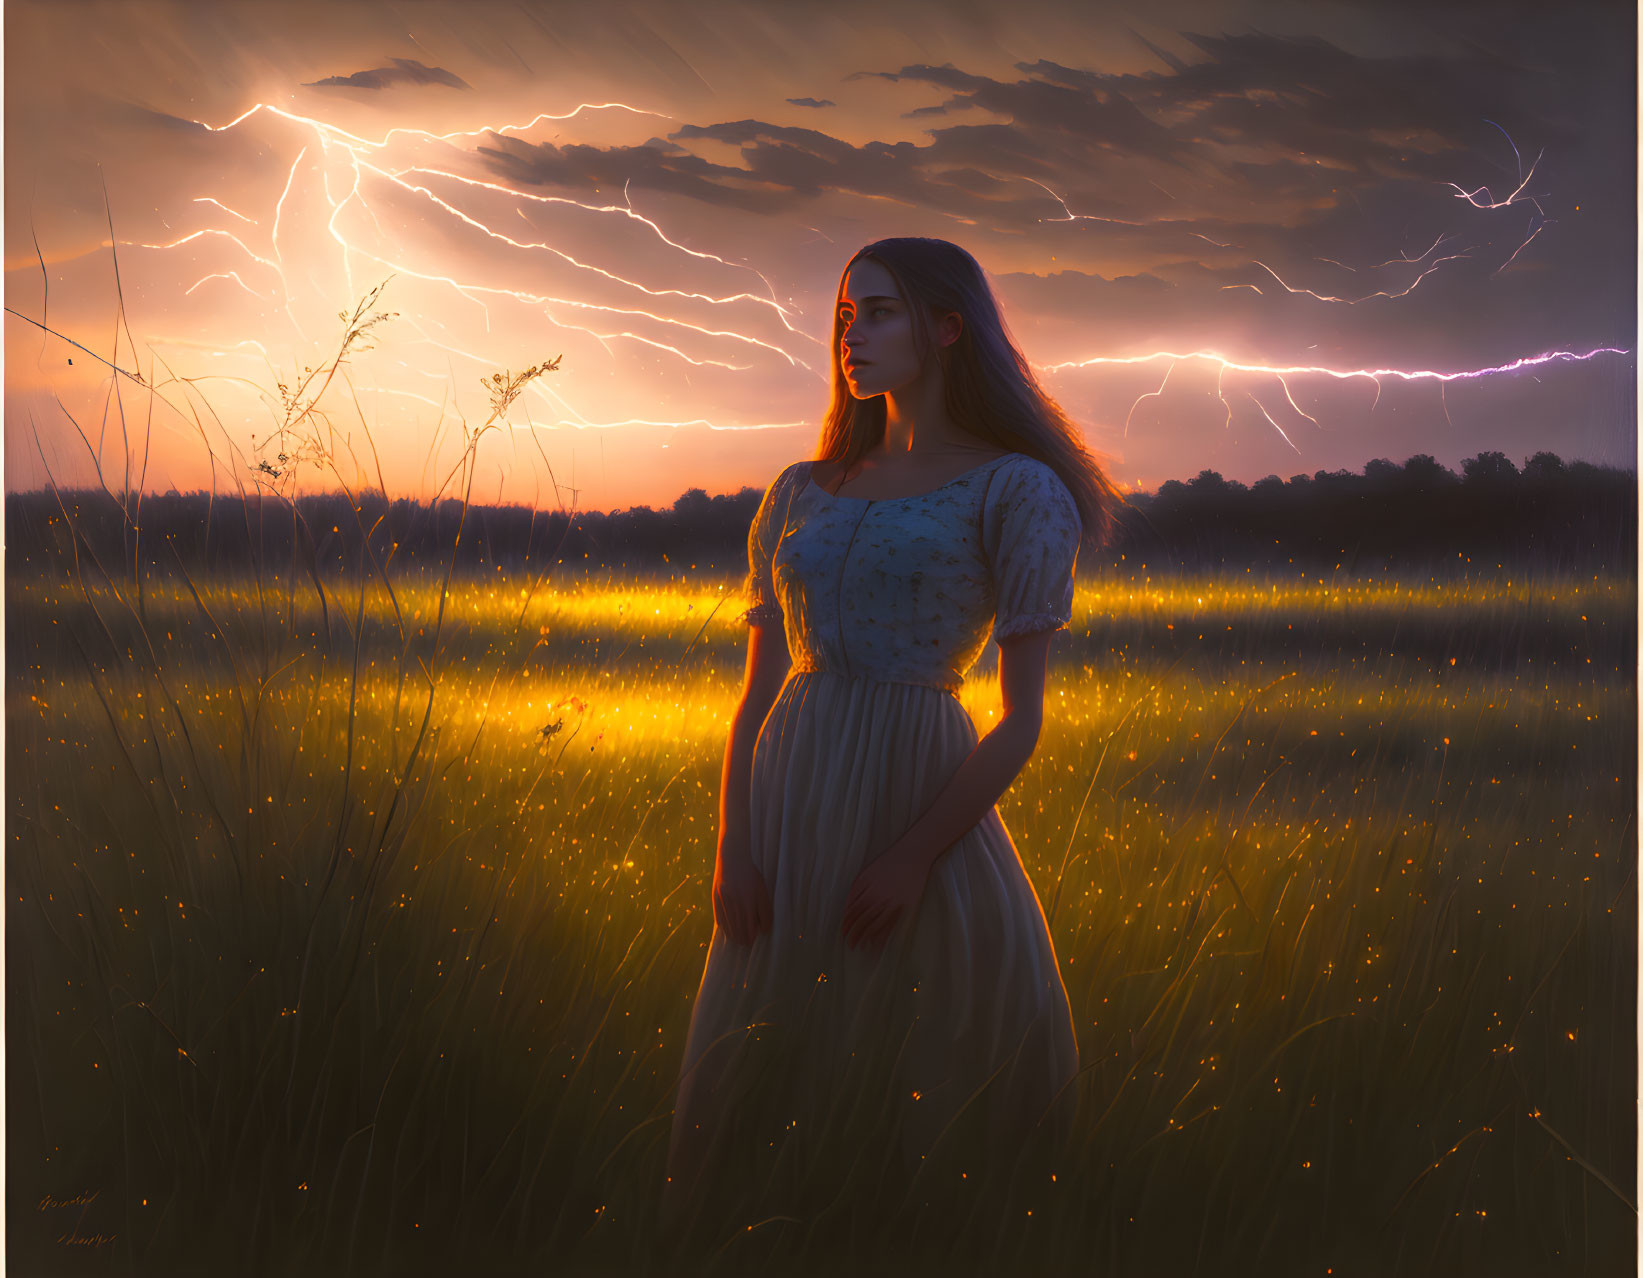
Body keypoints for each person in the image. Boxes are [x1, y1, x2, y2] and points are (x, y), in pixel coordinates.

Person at [658, 237, 1123, 1258]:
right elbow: (755, 692)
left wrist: (913, 857)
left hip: (917, 789)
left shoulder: (1015, 489)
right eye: (842, 315)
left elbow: (1022, 719)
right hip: (790, 795)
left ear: (947, 328)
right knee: (763, 1066)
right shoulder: (802, 488)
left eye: (878, 312)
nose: (849, 336)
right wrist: (733, 848)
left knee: (910, 1053)